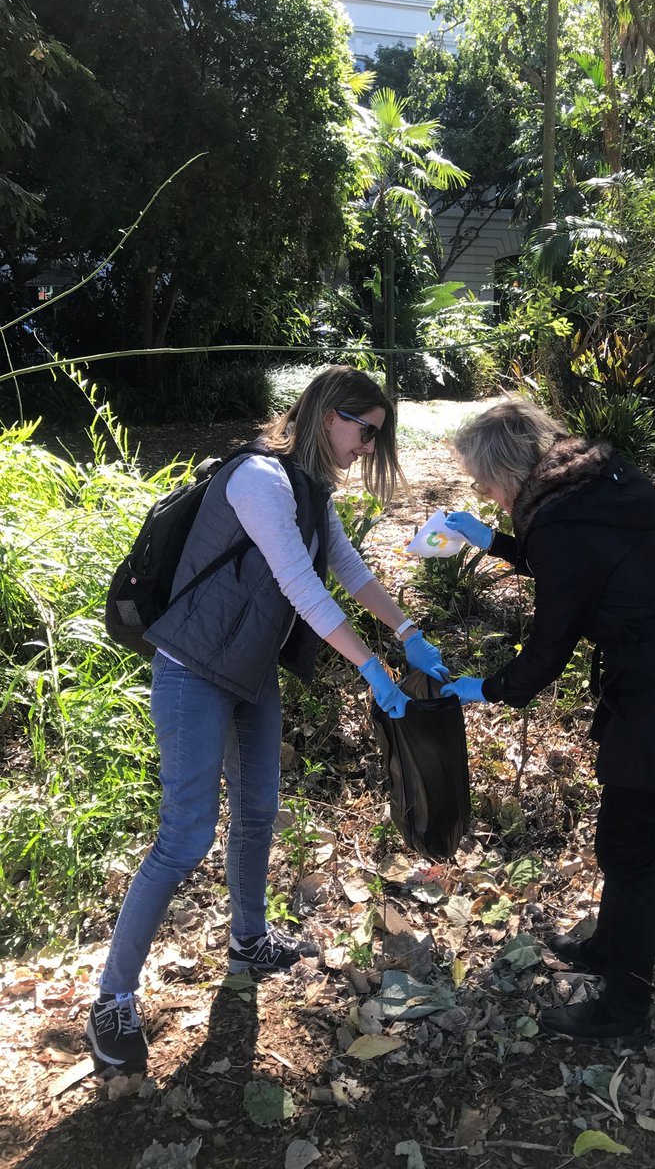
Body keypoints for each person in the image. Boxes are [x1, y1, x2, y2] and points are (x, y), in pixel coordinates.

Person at [86, 366, 448, 1069]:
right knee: (184, 838)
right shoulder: (260, 478)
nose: (369, 446)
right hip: (193, 670)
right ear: (327, 416)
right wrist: (369, 668)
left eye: (379, 434)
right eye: (365, 430)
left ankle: (248, 938)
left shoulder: (313, 492)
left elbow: (346, 567)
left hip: (248, 674)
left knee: (258, 812)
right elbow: (300, 585)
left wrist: (406, 633)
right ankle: (110, 1003)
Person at [440, 396, 655, 1044]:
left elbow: (546, 652)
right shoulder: (592, 486)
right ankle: (606, 950)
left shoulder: (561, 519)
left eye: (481, 481)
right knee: (629, 846)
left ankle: (625, 1012)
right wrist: (491, 540)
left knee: (628, 855)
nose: (480, 492)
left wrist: (479, 687)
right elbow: (574, 564)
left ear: (507, 470)